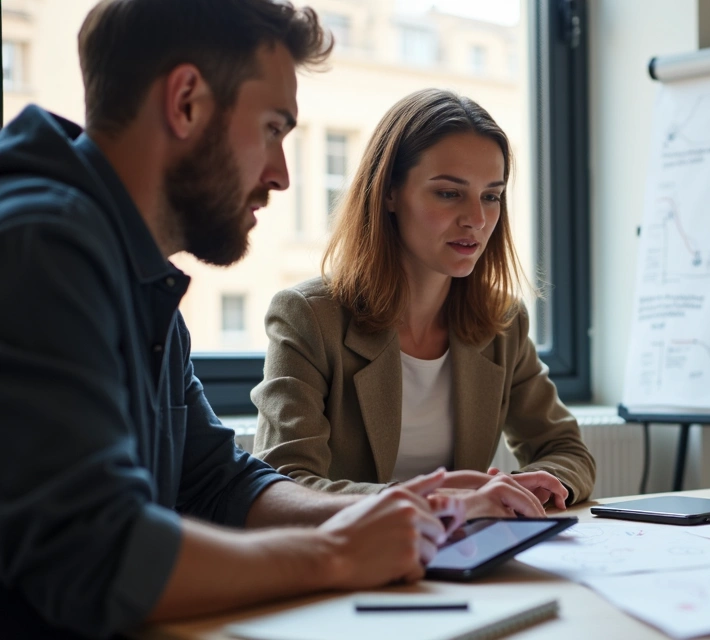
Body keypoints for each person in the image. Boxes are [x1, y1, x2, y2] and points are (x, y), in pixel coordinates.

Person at [0, 2, 470, 638]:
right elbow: (99, 554)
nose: (279, 176)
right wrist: (336, 555)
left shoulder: (136, 271)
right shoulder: (39, 245)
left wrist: (394, 514)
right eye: (274, 129)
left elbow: (217, 482)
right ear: (187, 101)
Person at [252, 89, 596, 514]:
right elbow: (286, 484)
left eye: (491, 195)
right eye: (450, 193)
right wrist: (442, 502)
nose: (477, 218)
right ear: (390, 193)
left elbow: (567, 451)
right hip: (349, 564)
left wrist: (535, 486)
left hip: (462, 562)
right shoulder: (308, 316)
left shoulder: (503, 319)